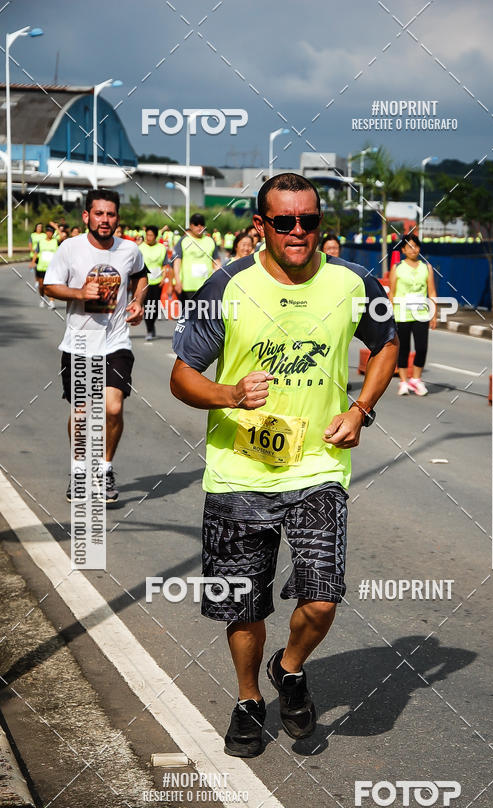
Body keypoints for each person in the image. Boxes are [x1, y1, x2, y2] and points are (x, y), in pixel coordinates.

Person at [170, 173, 398, 758]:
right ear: (260, 226)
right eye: (285, 222)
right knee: (244, 603)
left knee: (321, 598)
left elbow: (388, 343)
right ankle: (249, 699)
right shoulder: (225, 285)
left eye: (310, 221)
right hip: (239, 470)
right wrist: (228, 395)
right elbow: (181, 377)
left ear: (322, 224)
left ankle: (289, 666)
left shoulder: (353, 281)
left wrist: (362, 407)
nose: (299, 233)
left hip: (318, 466)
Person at [44, 189, 147, 503]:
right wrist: (79, 294)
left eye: (111, 214)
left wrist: (139, 302)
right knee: (81, 412)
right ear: (86, 216)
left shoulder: (129, 250)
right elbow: (49, 286)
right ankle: (78, 472)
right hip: (78, 343)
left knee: (113, 408)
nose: (105, 220)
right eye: (99, 214)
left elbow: (142, 277)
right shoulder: (69, 248)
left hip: (116, 343)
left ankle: (104, 470)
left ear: (117, 217)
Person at [389, 234, 437, 396]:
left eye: (416, 246)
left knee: (422, 348)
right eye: (409, 246)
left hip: (421, 313)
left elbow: (431, 291)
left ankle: (416, 379)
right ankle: (403, 382)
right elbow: (392, 293)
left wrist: (434, 314)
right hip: (401, 314)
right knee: (403, 349)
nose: (413, 249)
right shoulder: (397, 268)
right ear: (403, 249)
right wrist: (389, 316)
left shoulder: (426, 268)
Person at [172, 213, 220, 302]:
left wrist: (219, 281)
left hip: (206, 287)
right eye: (196, 224)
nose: (199, 227)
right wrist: (177, 281)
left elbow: (216, 263)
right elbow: (177, 262)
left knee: (204, 315)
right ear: (190, 226)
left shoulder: (210, 241)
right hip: (187, 287)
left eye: (202, 224)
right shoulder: (183, 240)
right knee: (188, 314)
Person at [139, 225, 168, 340]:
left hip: (157, 281)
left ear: (156, 236)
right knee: (147, 306)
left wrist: (164, 277)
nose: (148, 237)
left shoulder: (161, 248)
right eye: (147, 235)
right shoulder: (140, 248)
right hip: (144, 281)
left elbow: (165, 264)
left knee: (155, 306)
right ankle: (149, 329)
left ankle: (152, 323)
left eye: (151, 235)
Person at [33, 224, 59, 309]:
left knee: (51, 285)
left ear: (53, 233)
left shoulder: (56, 241)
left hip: (52, 267)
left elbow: (62, 236)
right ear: (46, 232)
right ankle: (42, 298)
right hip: (41, 267)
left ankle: (51, 301)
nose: (49, 233)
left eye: (51, 232)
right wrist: (33, 261)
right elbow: (36, 252)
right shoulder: (41, 242)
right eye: (48, 231)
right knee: (41, 285)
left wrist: (56, 227)